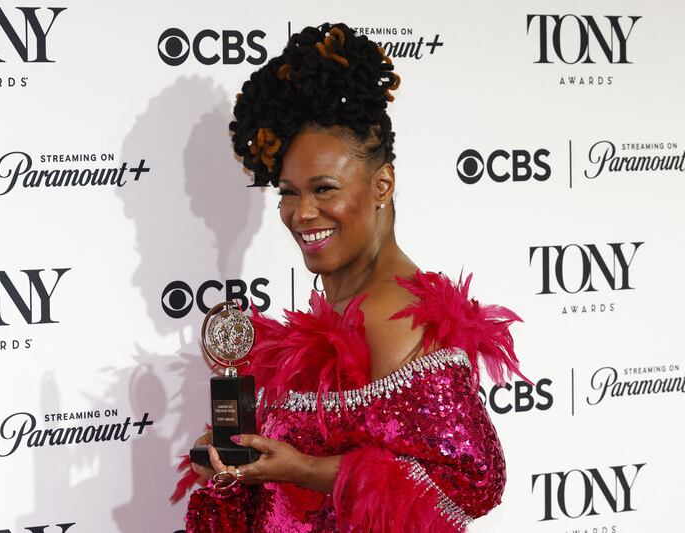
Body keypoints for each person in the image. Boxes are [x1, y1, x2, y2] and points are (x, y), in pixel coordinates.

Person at [171, 22, 531, 532]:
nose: (302, 213)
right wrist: (240, 456)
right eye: (289, 193)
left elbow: (473, 480)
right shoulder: (341, 305)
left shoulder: (396, 312)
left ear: (381, 184)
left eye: (324, 189)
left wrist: (307, 470)